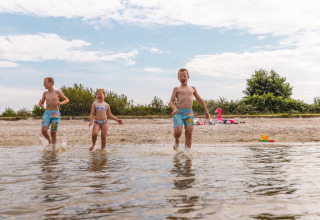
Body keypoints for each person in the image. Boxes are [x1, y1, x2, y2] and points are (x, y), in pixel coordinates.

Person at [169, 68, 210, 150]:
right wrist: (174, 108)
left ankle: (187, 153)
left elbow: (200, 100)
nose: (182, 77)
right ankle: (176, 141)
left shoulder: (192, 88)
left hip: (189, 114)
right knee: (178, 132)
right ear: (178, 78)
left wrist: (206, 111)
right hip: (179, 113)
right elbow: (171, 101)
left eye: (184, 75)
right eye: (180, 76)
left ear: (188, 77)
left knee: (189, 132)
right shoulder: (176, 89)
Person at [39, 77, 69, 150]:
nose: (44, 84)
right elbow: (42, 103)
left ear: (50, 83)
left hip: (55, 113)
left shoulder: (57, 92)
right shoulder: (45, 93)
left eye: (45, 83)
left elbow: (67, 99)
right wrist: (40, 104)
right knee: (43, 130)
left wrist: (61, 102)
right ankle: (49, 141)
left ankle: (53, 148)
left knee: (53, 132)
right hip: (47, 113)